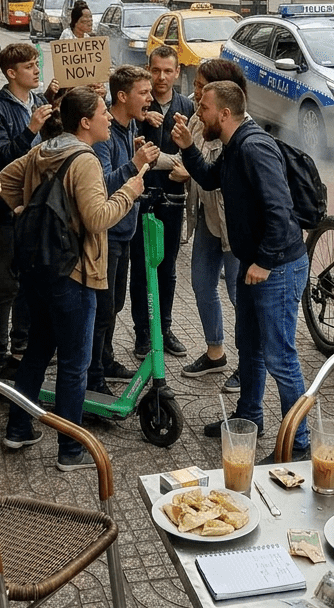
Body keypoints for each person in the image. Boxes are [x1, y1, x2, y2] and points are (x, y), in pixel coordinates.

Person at [0, 88, 144, 470]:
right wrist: (130, 191)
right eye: (102, 113)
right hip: (74, 272)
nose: (109, 118)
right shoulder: (86, 160)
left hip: (39, 269)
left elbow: (6, 179)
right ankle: (71, 449)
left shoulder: (43, 150)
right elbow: (97, 218)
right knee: (75, 363)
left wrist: (22, 210)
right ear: (85, 122)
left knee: (37, 351)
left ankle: (18, 428)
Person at [172, 81, 311, 456]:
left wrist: (264, 262)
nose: (199, 115)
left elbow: (280, 211)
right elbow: (209, 177)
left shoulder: (254, 147)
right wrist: (187, 146)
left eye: (204, 108)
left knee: (281, 358)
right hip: (255, 266)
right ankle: (249, 416)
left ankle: (299, 445)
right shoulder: (233, 147)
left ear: (225, 114)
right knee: (249, 346)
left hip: (277, 268)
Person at [0, 43, 55, 377]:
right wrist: (30, 130)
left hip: (37, 205)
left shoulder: (39, 102)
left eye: (37, 64)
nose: (37, 71)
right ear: (11, 74)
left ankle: (21, 345)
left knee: (31, 280)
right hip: (8, 207)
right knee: (8, 284)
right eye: (29, 66)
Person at [89, 66, 159, 393]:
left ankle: (105, 359)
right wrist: (134, 163)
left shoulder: (128, 130)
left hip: (124, 232)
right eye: (143, 93)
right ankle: (92, 377)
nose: (150, 97)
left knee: (114, 304)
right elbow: (101, 185)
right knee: (102, 309)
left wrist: (137, 157)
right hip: (107, 235)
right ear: (122, 96)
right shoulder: (105, 135)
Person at [182, 59, 247, 394]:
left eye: (201, 87)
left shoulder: (241, 134)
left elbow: (211, 174)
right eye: (196, 86)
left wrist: (185, 165)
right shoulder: (199, 118)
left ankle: (248, 365)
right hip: (209, 218)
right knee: (202, 283)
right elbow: (193, 164)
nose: (194, 94)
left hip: (234, 225)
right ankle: (215, 352)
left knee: (240, 295)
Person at [129, 45, 193, 359]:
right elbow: (131, 148)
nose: (161, 77)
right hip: (142, 197)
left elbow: (193, 155)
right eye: (156, 70)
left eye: (168, 71)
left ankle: (164, 328)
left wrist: (186, 167)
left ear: (178, 71)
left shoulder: (186, 106)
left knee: (167, 268)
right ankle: (143, 333)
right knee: (141, 267)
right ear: (149, 69)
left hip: (174, 200)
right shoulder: (138, 104)